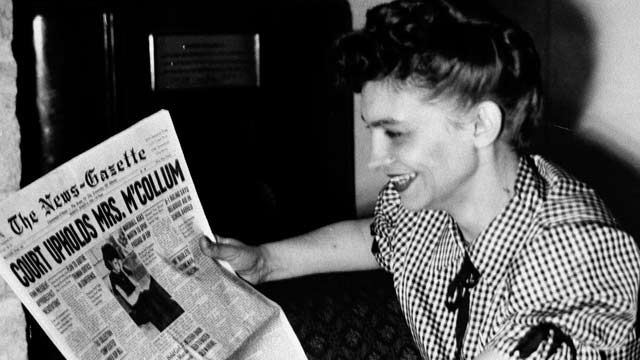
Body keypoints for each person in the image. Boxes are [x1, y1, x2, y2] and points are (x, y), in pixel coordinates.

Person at [199, 0, 640, 358]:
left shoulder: (576, 252)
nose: (377, 159)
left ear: (480, 125)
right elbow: (378, 237)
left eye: (396, 133)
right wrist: (265, 260)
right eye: (373, 131)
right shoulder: (434, 202)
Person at [101, 244, 184, 332]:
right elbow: (131, 301)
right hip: (138, 308)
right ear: (109, 264)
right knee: (151, 301)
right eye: (115, 262)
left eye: (118, 260)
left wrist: (123, 271)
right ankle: (169, 326)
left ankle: (178, 317)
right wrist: (138, 289)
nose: (118, 263)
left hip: (144, 297)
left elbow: (136, 283)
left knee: (156, 291)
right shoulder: (113, 280)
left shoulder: (123, 269)